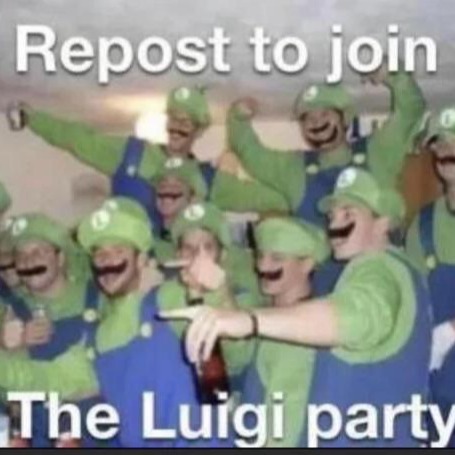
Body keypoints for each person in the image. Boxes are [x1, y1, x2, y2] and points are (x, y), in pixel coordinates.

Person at [163, 168, 432, 447]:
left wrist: (248, 320)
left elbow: (355, 316)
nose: (335, 225)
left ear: (382, 223)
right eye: (332, 216)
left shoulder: (380, 268)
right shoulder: (388, 271)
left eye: (348, 214)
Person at [0, 199, 233, 447]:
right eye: (99, 253)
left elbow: (228, 336)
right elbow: (44, 378)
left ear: (141, 259)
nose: (107, 262)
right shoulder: (100, 337)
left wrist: (218, 290)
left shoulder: (169, 299)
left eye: (118, 251)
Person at [215, 60, 425, 226]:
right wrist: (238, 118)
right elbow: (252, 155)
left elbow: (410, 112)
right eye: (308, 118)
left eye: (325, 114)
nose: (316, 122)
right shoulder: (293, 169)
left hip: (380, 265)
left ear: (344, 119)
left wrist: (394, 75)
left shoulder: (378, 151)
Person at [6, 87, 214, 222]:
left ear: (199, 130)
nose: (177, 127)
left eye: (186, 122)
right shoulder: (133, 153)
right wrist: (33, 119)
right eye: (173, 119)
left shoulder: (207, 178)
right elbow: (80, 140)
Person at [0, 213, 100, 447]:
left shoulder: (97, 297)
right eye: (21, 255)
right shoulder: (12, 311)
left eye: (39, 251)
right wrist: (10, 348)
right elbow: (10, 399)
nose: (29, 261)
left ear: (61, 258)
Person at [229, 217, 329, 447]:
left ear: (307, 264)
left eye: (277, 258)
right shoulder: (270, 318)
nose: (262, 266)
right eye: (260, 256)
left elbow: (283, 429)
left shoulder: (296, 335)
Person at [406, 107, 455, 446]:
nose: (447, 150)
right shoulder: (421, 225)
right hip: (438, 387)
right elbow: (413, 303)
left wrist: (449, 332)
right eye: (440, 143)